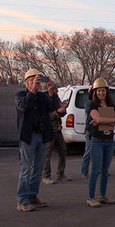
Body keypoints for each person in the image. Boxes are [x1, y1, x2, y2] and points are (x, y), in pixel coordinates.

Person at [15, 68, 56, 211]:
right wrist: (32, 91)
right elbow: (23, 106)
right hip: (28, 136)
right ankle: (22, 200)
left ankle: (33, 196)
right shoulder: (21, 95)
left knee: (37, 169)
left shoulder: (42, 96)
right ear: (27, 82)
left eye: (38, 80)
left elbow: (53, 107)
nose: (37, 83)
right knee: (26, 169)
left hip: (42, 135)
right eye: (33, 80)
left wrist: (51, 92)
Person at [83, 79, 115, 207]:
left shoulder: (111, 105)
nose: (101, 93)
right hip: (97, 141)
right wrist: (111, 121)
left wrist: (103, 121)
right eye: (98, 90)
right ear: (95, 92)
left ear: (106, 91)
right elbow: (97, 119)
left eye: (103, 90)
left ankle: (102, 196)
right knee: (95, 170)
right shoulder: (92, 105)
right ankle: (90, 198)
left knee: (105, 170)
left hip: (109, 141)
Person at [42, 79, 68, 184]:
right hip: (48, 129)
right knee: (47, 154)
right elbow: (46, 116)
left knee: (63, 151)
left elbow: (60, 111)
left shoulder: (56, 99)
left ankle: (60, 174)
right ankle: (46, 176)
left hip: (57, 128)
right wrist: (57, 112)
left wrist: (62, 110)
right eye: (51, 88)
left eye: (54, 88)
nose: (53, 90)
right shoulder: (44, 99)